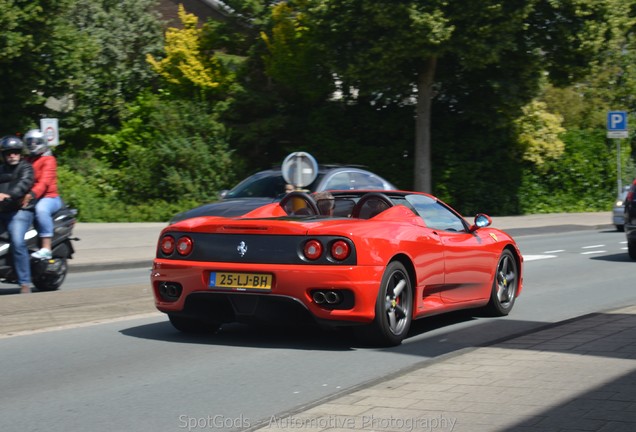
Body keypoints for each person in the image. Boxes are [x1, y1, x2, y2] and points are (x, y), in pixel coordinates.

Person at [0, 136, 35, 293]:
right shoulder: (1, 169)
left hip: (19, 211)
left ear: (20, 154)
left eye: (15, 152)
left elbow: (24, 184)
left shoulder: (26, 168)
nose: (12, 155)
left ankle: (24, 282)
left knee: (17, 241)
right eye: (8, 153)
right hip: (2, 211)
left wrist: (9, 195)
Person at [23, 129, 62, 260]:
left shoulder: (49, 159)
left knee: (41, 210)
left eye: (35, 142)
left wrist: (32, 194)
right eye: (29, 142)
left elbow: (44, 182)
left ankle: (46, 248)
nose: (32, 145)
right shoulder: (26, 160)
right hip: (32, 196)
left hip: (49, 197)